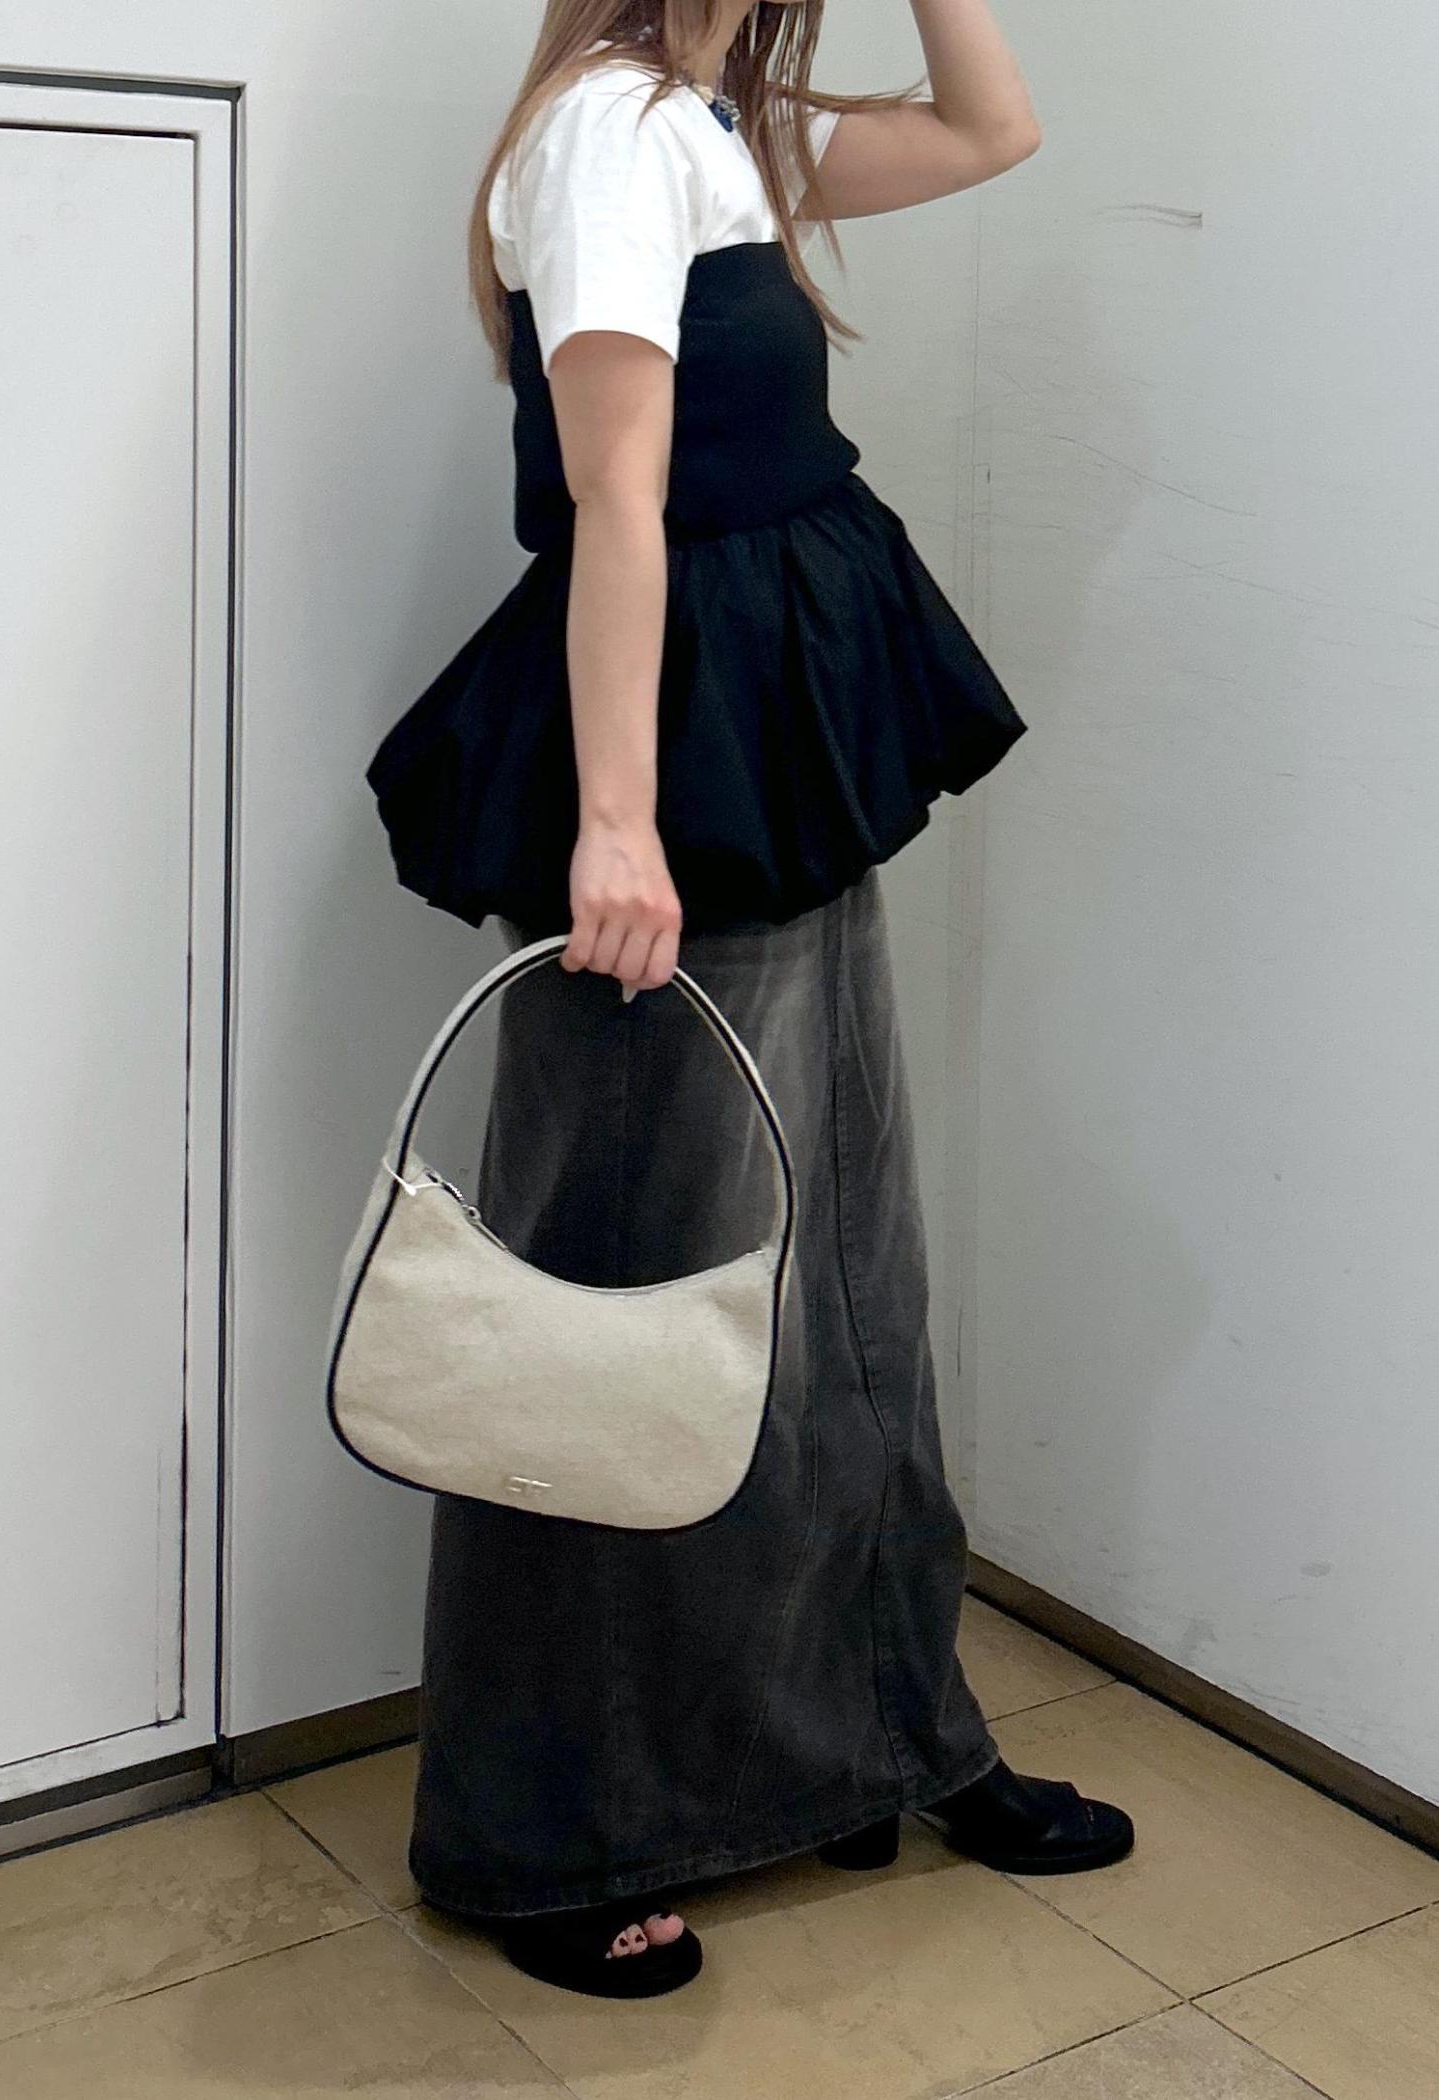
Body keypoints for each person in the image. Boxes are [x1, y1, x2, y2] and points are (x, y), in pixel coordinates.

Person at [366, 0, 1133, 2000]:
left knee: (844, 1275)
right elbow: (615, 497)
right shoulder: (610, 131)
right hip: (674, 782)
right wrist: (617, 829)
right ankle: (553, 1832)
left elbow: (991, 128)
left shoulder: (726, 122)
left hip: (780, 748)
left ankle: (885, 1739)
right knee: (619, 1311)